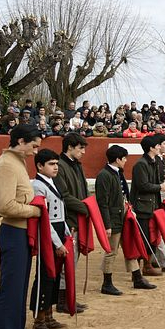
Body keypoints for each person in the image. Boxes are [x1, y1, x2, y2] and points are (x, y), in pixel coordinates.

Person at [0, 125, 43, 329]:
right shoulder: (6, 166)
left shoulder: (15, 163)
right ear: (21, 141)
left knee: (18, 290)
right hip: (13, 231)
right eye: (34, 145)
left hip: (20, 233)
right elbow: (5, 206)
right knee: (10, 291)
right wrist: (35, 210)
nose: (36, 151)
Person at [96, 145, 154, 292]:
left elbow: (123, 195)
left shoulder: (116, 172)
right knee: (111, 251)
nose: (126, 161)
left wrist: (129, 208)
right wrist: (107, 224)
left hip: (123, 216)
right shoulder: (104, 175)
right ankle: (106, 283)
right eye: (124, 158)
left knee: (130, 246)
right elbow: (102, 203)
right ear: (117, 159)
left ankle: (137, 278)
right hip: (114, 219)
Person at [29, 149, 70, 329]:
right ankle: (39, 322)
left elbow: (60, 211)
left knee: (53, 276)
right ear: (39, 166)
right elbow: (45, 219)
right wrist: (57, 243)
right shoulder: (37, 185)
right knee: (45, 276)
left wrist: (67, 233)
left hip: (58, 231)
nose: (56, 167)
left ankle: (49, 317)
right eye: (51, 164)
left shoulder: (51, 182)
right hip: (48, 236)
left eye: (56, 164)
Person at [131, 135, 165, 277]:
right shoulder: (141, 164)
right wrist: (160, 187)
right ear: (151, 147)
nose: (160, 147)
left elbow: (156, 183)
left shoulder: (153, 162)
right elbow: (143, 185)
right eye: (157, 145)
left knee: (152, 236)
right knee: (144, 237)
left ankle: (148, 264)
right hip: (143, 206)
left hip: (152, 205)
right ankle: (144, 266)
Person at [54, 133, 89, 314]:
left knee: (72, 262)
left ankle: (68, 299)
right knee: (66, 262)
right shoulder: (60, 166)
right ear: (70, 147)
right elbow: (64, 196)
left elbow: (81, 192)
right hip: (68, 220)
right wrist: (86, 208)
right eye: (80, 148)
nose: (83, 152)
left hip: (76, 218)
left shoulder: (76, 166)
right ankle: (63, 301)